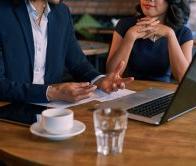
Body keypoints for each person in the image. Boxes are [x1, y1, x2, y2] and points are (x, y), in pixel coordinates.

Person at [0, 0, 133, 103]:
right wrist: (52, 92)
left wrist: (100, 80)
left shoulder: (61, 13)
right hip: (8, 110)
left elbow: (78, 64)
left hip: (53, 113)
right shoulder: (3, 12)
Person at [106, 0, 193, 83]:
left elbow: (184, 79)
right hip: (127, 90)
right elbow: (111, 73)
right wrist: (130, 36)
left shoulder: (184, 33)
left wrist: (170, 35)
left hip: (162, 92)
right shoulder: (124, 25)